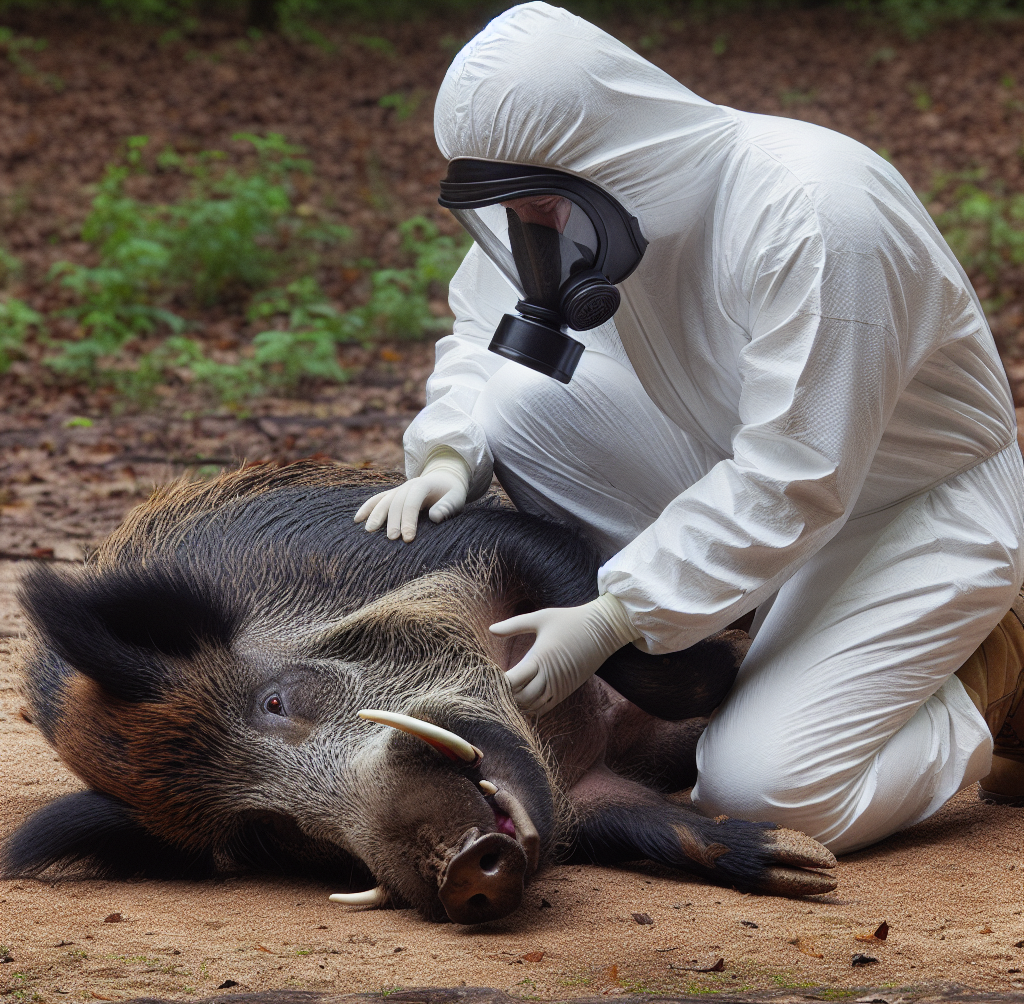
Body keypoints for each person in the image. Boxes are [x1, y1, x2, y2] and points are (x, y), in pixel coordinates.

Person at [354, 1, 1024, 852]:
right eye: (509, 203)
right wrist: (450, 450)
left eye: (537, 202)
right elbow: (495, 337)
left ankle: (996, 671)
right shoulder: (569, 199)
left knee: (767, 790)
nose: (528, 226)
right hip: (738, 469)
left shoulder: (816, 216)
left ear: (611, 152)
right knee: (517, 409)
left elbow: (796, 477)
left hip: (907, 509)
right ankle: (746, 631)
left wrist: (614, 613)